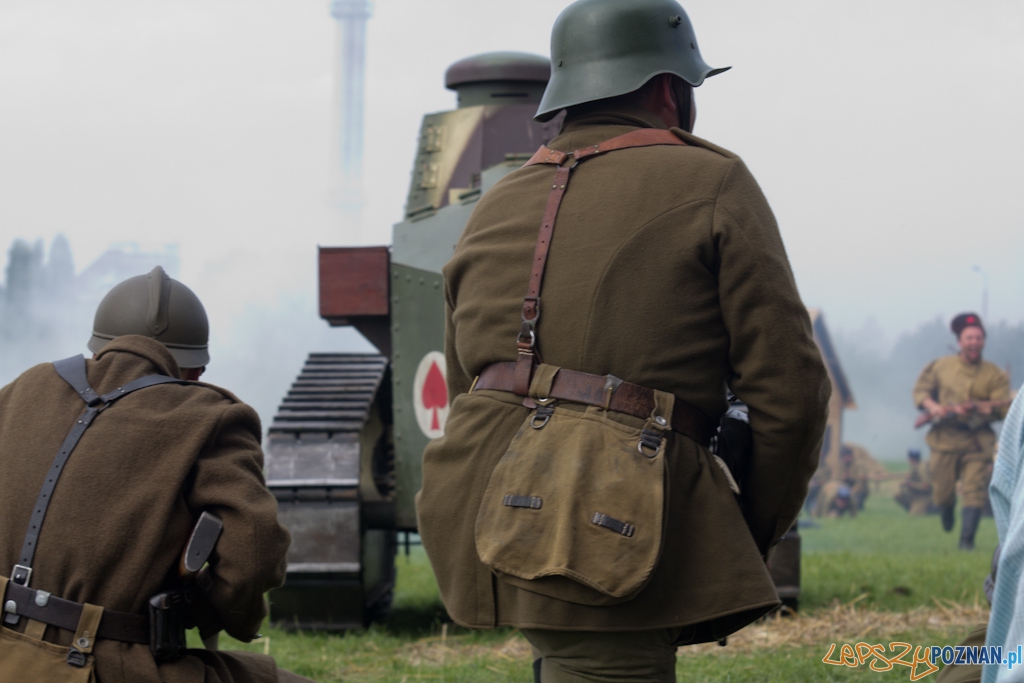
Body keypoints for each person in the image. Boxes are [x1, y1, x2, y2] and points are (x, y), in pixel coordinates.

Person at [415, 0, 832, 680]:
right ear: (671, 89)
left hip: (483, 510)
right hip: (616, 520)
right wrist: (738, 525)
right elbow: (792, 392)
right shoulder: (713, 180)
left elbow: (468, 378)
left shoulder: (495, 202)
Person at [0, 266, 314, 683]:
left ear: (97, 349)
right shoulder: (210, 417)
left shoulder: (21, 390)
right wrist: (221, 614)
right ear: (194, 371)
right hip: (102, 664)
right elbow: (253, 557)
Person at [913, 312, 1011, 550]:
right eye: (969, 338)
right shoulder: (940, 366)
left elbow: (1002, 407)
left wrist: (982, 411)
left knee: (974, 490)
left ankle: (966, 542)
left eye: (978, 337)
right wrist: (935, 408)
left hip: (977, 440)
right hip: (944, 439)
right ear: (960, 341)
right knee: (943, 495)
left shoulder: (995, 374)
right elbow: (921, 391)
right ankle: (946, 511)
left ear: (983, 341)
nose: (974, 342)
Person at [895, 449, 934, 515]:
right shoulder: (916, 466)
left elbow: (926, 486)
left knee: (915, 514)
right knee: (898, 493)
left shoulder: (922, 468)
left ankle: (934, 508)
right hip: (917, 495)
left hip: (924, 497)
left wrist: (911, 485)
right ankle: (913, 507)